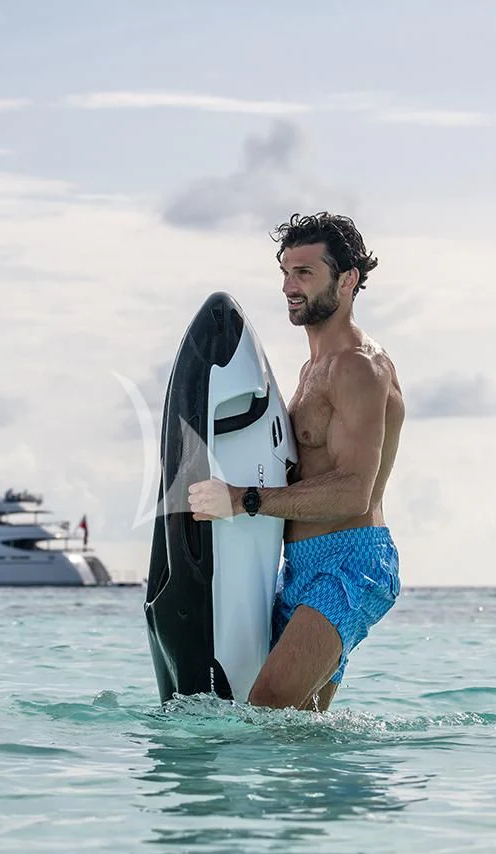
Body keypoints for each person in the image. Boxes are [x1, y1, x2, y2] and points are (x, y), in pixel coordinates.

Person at [187, 211, 405, 712]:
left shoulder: (359, 368)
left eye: (305, 273)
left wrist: (243, 501)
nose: (289, 286)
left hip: (353, 560)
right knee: (300, 725)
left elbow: (354, 489)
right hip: (299, 565)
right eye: (286, 272)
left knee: (266, 703)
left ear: (347, 280)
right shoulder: (312, 370)